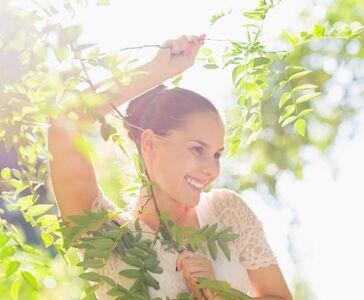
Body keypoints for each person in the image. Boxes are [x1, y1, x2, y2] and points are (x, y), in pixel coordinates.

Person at [48, 34, 293, 299]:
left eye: (217, 155)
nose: (212, 169)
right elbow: (64, 124)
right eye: (197, 149)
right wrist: (157, 70)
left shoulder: (226, 212)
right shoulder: (107, 237)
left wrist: (218, 294)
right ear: (150, 144)